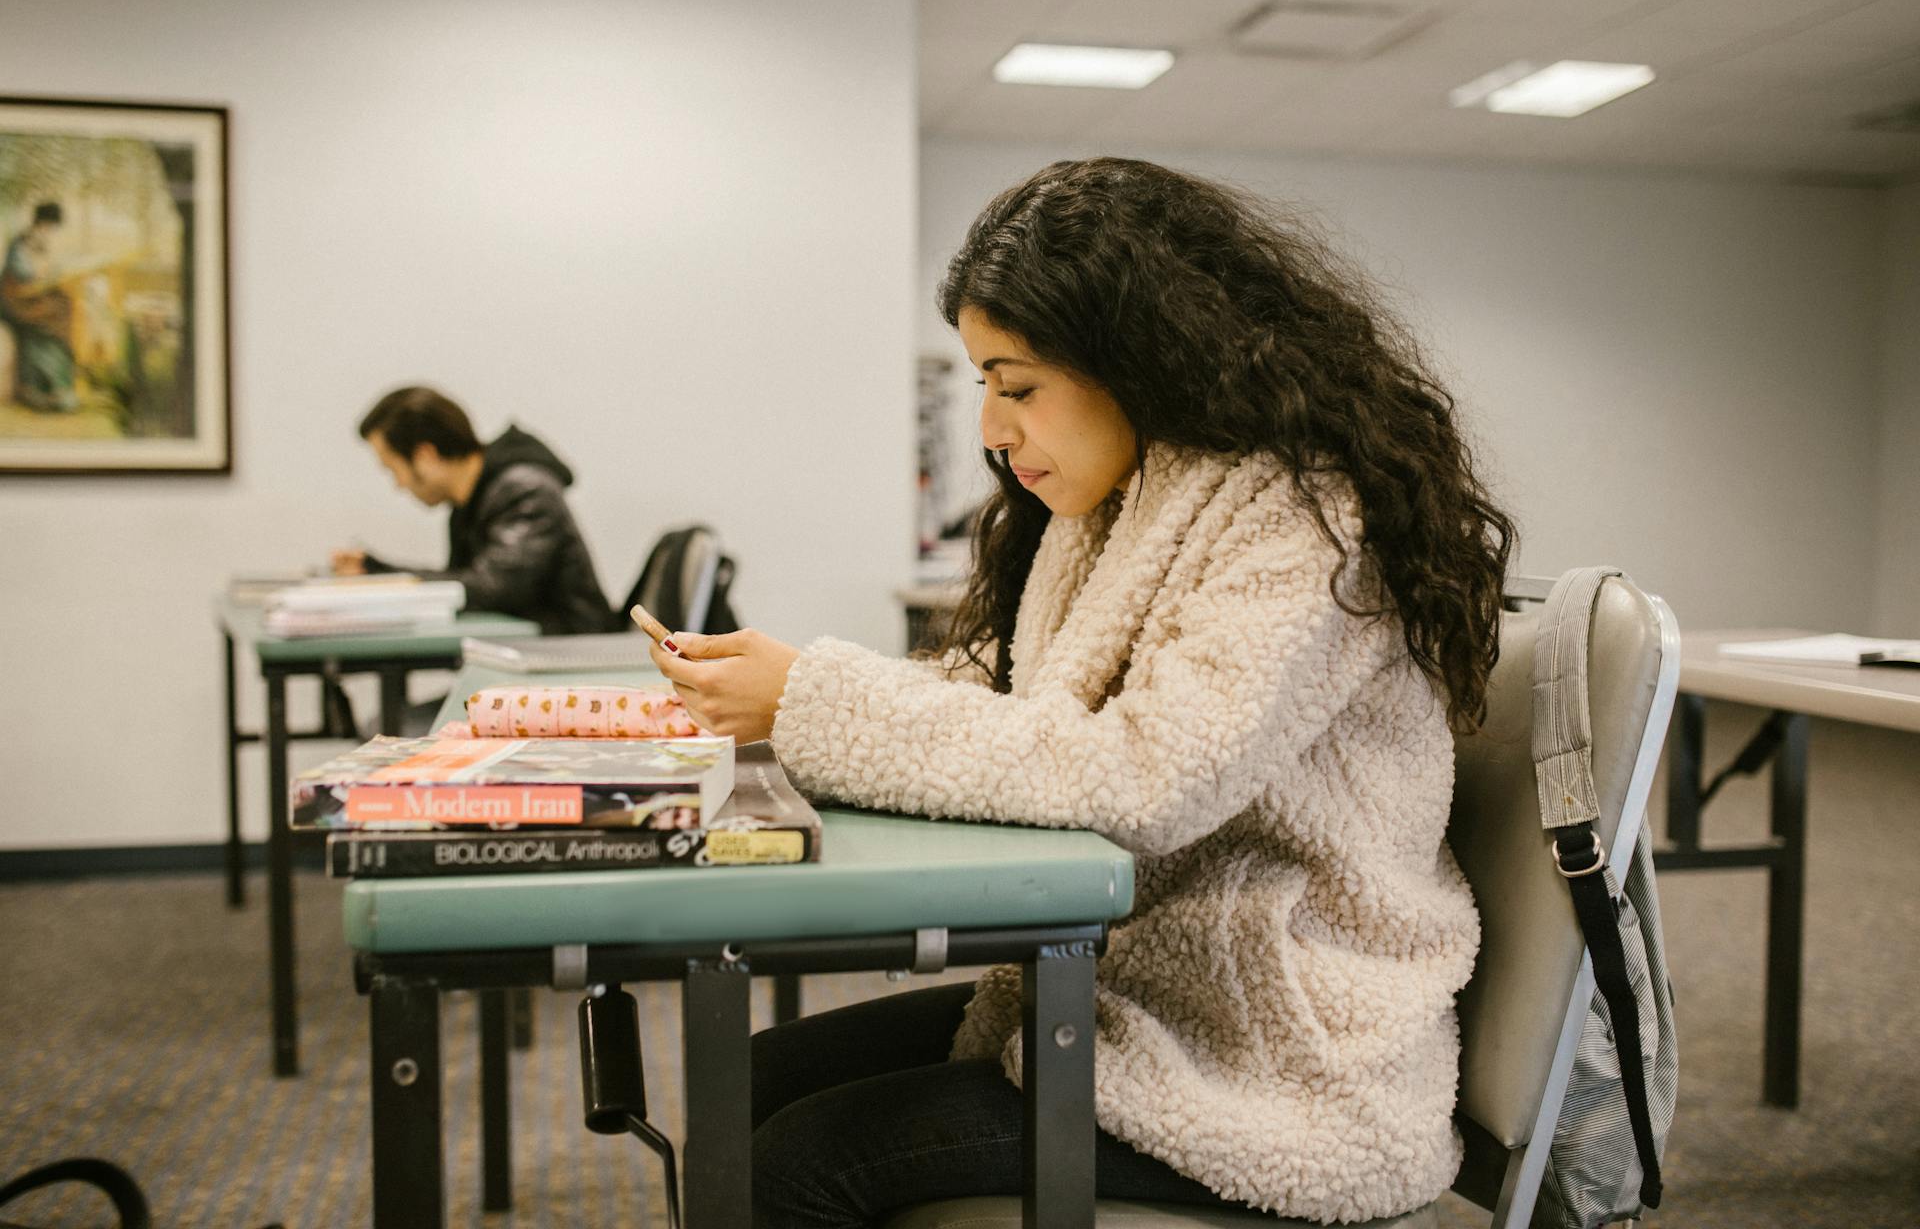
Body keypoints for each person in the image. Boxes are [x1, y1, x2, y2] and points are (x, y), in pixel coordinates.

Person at [650, 158, 1519, 1227]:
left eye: (1017, 386)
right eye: (984, 387)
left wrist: (814, 702)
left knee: (796, 1162)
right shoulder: (1116, 504)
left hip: (1281, 1058)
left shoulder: (1305, 512)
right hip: (1146, 997)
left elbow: (1150, 772)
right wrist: (780, 700)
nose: (991, 430)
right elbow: (1021, 699)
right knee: (755, 1077)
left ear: (1144, 360)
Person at [333, 386, 611, 635]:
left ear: (425, 456)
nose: (398, 485)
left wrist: (384, 575)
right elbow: (469, 584)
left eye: (393, 470)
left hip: (571, 661)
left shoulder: (525, 490)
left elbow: (491, 589)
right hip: (526, 658)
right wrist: (378, 571)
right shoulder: (470, 501)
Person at [0, 202, 79, 412]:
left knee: (64, 305)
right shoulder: (21, 243)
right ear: (41, 223)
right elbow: (23, 275)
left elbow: (46, 272)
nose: (51, 232)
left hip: (31, 297)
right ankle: (37, 390)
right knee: (49, 318)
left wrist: (52, 273)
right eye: (50, 227)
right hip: (15, 302)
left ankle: (58, 388)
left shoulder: (40, 242)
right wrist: (44, 273)